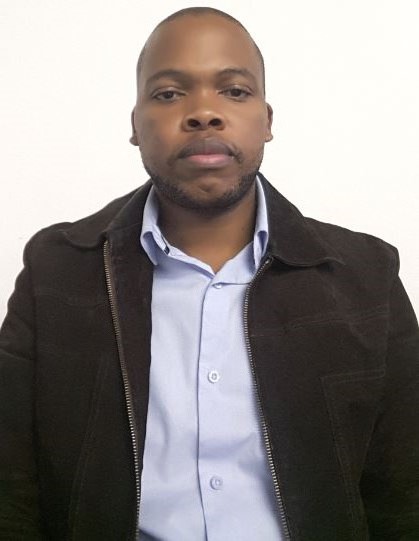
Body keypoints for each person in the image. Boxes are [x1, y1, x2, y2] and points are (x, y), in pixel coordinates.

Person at [0, 6, 418, 540]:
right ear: (135, 125)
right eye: (169, 93)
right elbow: (12, 490)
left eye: (234, 91)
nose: (204, 113)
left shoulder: (366, 277)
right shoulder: (57, 270)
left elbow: (404, 496)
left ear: (267, 120)